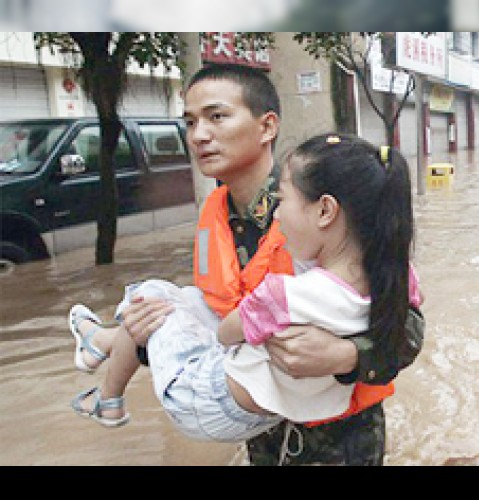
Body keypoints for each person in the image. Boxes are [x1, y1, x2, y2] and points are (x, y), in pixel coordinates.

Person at [83, 64, 425, 466]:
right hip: (259, 430)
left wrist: (347, 356)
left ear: (266, 127)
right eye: (190, 122)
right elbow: (222, 319)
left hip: (339, 440)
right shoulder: (215, 212)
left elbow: (407, 323)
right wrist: (147, 336)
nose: (199, 135)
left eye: (217, 116)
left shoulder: (322, 199)